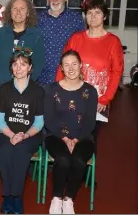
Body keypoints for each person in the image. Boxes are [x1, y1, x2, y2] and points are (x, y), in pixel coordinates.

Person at [55, 0, 124, 145]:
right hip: (72, 97)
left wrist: (106, 98)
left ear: (104, 16)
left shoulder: (113, 42)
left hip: (98, 101)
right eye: (89, 13)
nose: (92, 16)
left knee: (88, 141)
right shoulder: (76, 38)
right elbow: (63, 65)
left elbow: (117, 71)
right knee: (67, 138)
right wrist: (58, 92)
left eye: (97, 13)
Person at [45, 50, 98, 214]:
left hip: (83, 136)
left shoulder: (90, 91)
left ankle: (69, 199)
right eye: (66, 65)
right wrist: (65, 137)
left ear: (80, 65)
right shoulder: (51, 89)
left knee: (79, 160)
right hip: (56, 135)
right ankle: (56, 198)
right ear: (61, 68)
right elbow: (49, 119)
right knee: (62, 159)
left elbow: (90, 120)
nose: (71, 68)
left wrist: (75, 139)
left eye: (74, 64)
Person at [0, 52, 45, 214]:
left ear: (30, 68)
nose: (19, 68)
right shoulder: (4, 88)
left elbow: (39, 122)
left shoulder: (38, 91)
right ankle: (7, 197)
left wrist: (25, 135)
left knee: (21, 152)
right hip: (6, 133)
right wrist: (11, 135)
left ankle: (16, 197)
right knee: (5, 152)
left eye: (23, 64)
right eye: (15, 64)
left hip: (30, 134)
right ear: (11, 67)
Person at [0, 0, 45, 89]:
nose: (18, 12)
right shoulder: (1, 33)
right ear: (10, 12)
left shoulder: (36, 35)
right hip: (3, 88)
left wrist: (26, 84)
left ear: (28, 13)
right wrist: (1, 84)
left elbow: (38, 64)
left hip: (26, 89)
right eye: (15, 8)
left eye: (22, 8)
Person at [37, 0, 85, 86]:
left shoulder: (76, 19)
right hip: (42, 79)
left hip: (68, 77)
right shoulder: (38, 19)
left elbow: (82, 47)